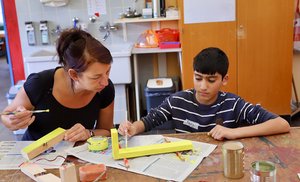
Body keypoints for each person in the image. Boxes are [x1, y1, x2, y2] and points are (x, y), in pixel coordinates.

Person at [118, 47, 290, 140]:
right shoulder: (177, 101)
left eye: (211, 80)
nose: (203, 86)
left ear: (225, 79)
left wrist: (233, 132)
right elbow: (150, 120)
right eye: (198, 78)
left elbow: (282, 124)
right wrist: (133, 127)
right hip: (186, 161)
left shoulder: (233, 104)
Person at [1, 28, 115, 142]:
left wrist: (88, 133)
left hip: (75, 155)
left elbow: (107, 131)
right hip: (35, 155)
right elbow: (5, 115)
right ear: (74, 74)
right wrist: (13, 120)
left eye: (107, 72)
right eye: (96, 77)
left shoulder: (105, 89)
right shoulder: (40, 83)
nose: (105, 81)